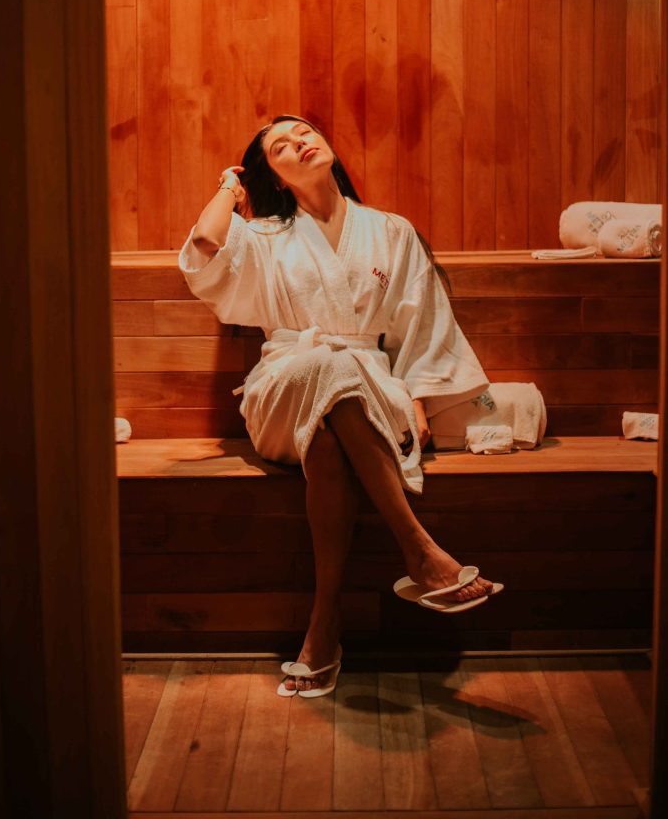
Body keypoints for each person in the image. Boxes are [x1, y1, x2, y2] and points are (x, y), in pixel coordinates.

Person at [178, 114, 502, 698]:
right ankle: (421, 551)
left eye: (303, 132)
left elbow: (420, 319)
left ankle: (323, 629)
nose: (299, 141)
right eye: (280, 146)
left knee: (327, 438)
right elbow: (204, 246)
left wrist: (420, 399)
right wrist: (232, 186)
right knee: (327, 367)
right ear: (271, 176)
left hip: (371, 387)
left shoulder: (390, 231)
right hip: (283, 384)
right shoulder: (265, 234)